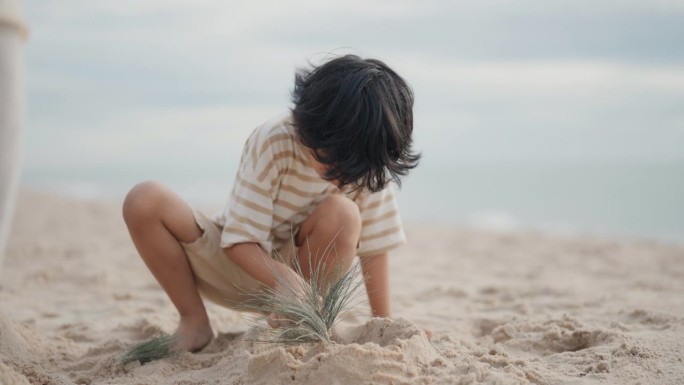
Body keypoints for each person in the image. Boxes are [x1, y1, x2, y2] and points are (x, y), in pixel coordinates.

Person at [122, 54, 420, 352]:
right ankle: (194, 321)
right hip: (237, 261)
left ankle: (300, 324)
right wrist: (282, 279)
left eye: (352, 171)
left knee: (343, 212)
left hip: (305, 287)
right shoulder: (274, 139)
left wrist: (384, 323)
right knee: (144, 198)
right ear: (308, 129)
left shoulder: (367, 158)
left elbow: (374, 249)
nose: (341, 179)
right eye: (331, 165)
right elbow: (239, 239)